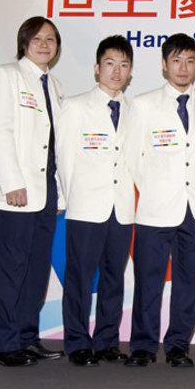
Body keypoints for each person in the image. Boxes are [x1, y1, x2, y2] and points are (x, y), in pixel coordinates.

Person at [123, 33, 195, 367]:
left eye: (190, 61)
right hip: (155, 208)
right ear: (164, 64)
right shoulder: (142, 104)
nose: (184, 67)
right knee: (148, 280)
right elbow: (131, 158)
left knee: (188, 283)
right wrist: (155, 188)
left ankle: (178, 344)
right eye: (177, 60)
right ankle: (142, 345)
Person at [0, 16, 65, 367]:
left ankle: (27, 337)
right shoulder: (6, 76)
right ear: (24, 42)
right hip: (15, 192)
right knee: (9, 270)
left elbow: (55, 145)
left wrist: (59, 193)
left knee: (35, 270)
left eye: (51, 38)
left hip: (45, 193)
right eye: (38, 38)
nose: (45, 44)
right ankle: (5, 344)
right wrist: (11, 182)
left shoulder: (54, 85)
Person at [56, 35, 135, 367]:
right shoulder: (75, 106)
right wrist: (70, 200)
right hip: (86, 207)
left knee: (114, 277)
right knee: (79, 277)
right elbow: (64, 159)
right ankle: (76, 342)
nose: (116, 72)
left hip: (123, 208)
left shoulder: (135, 110)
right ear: (96, 68)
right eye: (110, 64)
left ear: (130, 72)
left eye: (123, 65)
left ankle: (106, 341)